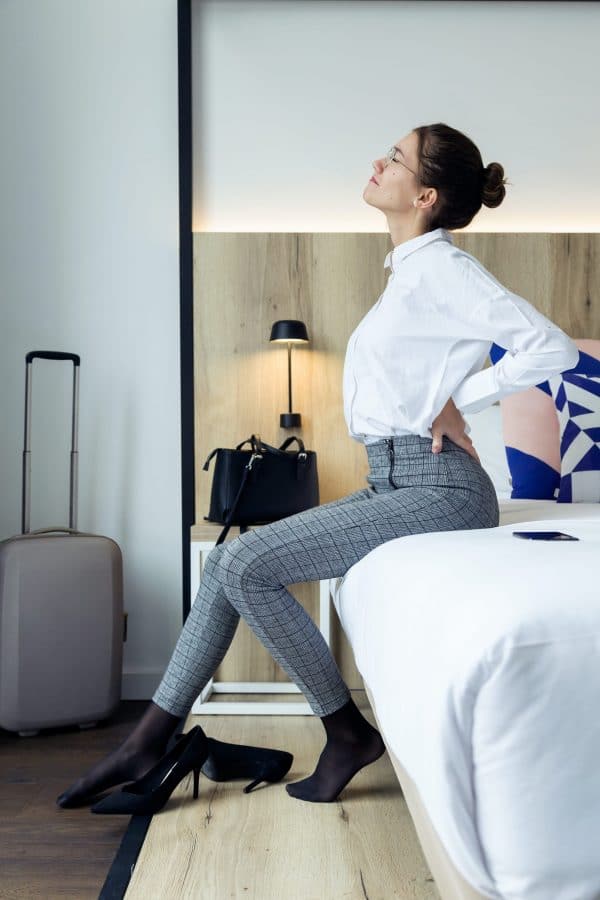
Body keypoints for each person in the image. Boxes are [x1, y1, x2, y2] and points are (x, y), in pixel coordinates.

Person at [57, 122, 579, 810]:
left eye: (394, 157)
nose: (378, 160)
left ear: (424, 194)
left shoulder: (446, 271)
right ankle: (147, 740)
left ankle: (343, 731)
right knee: (225, 565)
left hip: (442, 487)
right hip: (390, 478)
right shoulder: (408, 276)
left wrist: (461, 397)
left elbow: (552, 348)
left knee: (246, 563)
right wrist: (442, 397)